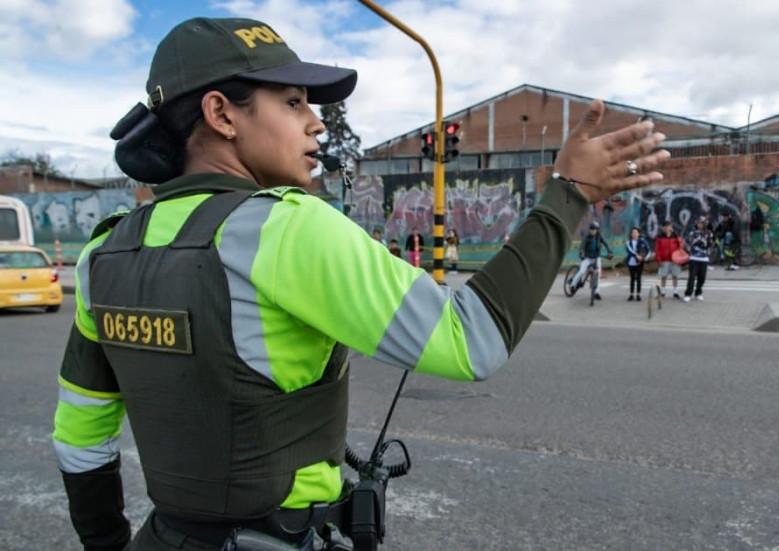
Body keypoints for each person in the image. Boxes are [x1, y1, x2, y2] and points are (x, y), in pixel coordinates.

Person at [51, 16, 669, 550]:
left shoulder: (104, 251)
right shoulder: (285, 227)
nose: (316, 123)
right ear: (220, 114)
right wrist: (568, 196)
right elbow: (471, 339)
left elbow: (80, 438)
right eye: (292, 102)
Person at [570, 221, 613, 300]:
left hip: (597, 257)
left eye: (594, 229)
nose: (592, 231)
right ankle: (572, 285)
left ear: (597, 230)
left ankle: (597, 292)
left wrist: (609, 251)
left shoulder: (599, 236)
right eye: (591, 229)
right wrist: (581, 253)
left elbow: (606, 244)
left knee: (598, 274)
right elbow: (582, 246)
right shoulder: (587, 237)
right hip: (587, 257)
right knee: (582, 271)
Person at [683, 217, 713, 302]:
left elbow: (710, 244)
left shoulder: (709, 233)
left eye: (701, 223)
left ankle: (698, 293)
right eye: (698, 223)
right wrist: (690, 252)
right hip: (694, 258)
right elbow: (687, 243)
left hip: (704, 258)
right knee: (691, 277)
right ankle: (688, 294)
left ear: (704, 224)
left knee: (702, 277)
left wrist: (707, 253)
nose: (699, 224)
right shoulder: (692, 233)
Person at [653, 220, 684, 299]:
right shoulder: (659, 237)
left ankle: (675, 292)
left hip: (675, 259)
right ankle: (663, 292)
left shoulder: (675, 235)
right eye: (666, 226)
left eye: (669, 226)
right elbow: (657, 249)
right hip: (664, 260)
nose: (668, 228)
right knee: (663, 276)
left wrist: (679, 258)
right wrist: (659, 259)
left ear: (671, 227)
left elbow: (681, 246)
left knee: (675, 276)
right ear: (663, 228)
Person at [624, 226, 650, 301]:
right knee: (632, 278)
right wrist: (637, 255)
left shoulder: (643, 241)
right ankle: (631, 294)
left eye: (636, 232)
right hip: (631, 262)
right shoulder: (628, 242)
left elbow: (648, 250)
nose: (634, 234)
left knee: (639, 278)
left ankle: (638, 294)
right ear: (631, 234)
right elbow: (630, 251)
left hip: (640, 262)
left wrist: (644, 258)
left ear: (639, 233)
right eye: (633, 232)